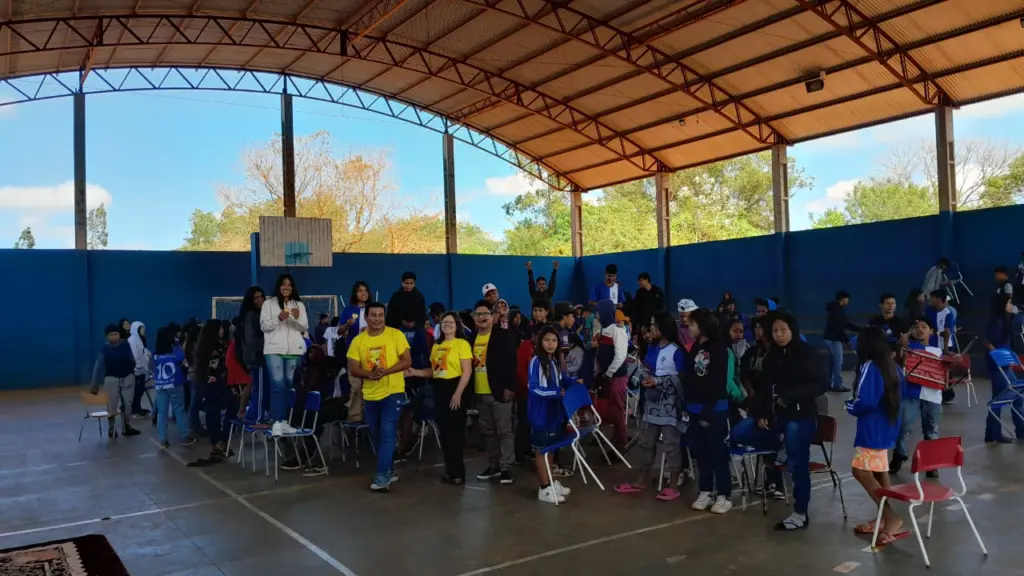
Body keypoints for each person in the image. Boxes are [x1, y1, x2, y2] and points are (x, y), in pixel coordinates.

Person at [732, 312, 827, 531]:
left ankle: (800, 513)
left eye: (783, 330)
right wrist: (762, 412)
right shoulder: (772, 356)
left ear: (792, 330)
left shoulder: (807, 353)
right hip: (775, 416)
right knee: (739, 433)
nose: (779, 334)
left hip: (800, 416)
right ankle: (779, 446)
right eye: (775, 331)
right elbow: (766, 388)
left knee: (797, 464)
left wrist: (790, 396)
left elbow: (821, 384)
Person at [615, 311, 687, 501]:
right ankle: (642, 479)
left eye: (655, 325)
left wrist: (660, 382)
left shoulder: (677, 351)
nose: (651, 329)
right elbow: (646, 368)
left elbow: (683, 379)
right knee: (647, 442)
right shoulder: (652, 348)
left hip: (670, 404)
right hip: (651, 402)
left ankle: (673, 483)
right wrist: (643, 378)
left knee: (671, 444)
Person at [847, 326, 904, 545]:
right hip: (887, 426)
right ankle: (883, 517)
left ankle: (891, 517)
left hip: (872, 429)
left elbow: (865, 401)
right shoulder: (893, 366)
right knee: (879, 471)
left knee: (860, 470)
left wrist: (850, 406)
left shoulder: (870, 366)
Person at [346, 301, 412, 492]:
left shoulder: (396, 335)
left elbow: (407, 360)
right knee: (377, 435)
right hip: (370, 394)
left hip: (393, 391)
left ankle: (382, 476)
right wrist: (370, 375)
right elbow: (354, 368)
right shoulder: (358, 341)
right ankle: (390, 469)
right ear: (366, 317)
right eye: (373, 315)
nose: (377, 318)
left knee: (386, 432)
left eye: (380, 315)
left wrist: (386, 372)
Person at [407, 311, 473, 484]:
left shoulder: (462, 344)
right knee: (444, 432)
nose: (447, 325)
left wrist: (458, 394)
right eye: (445, 322)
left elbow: (467, 371)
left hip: (455, 387)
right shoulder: (437, 346)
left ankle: (458, 472)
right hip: (439, 389)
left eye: (451, 322)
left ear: (457, 325)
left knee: (455, 433)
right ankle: (449, 470)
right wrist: (415, 372)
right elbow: (434, 371)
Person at [681, 308, 731, 513]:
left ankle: (724, 494)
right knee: (700, 452)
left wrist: (709, 409)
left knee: (717, 451)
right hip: (695, 408)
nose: (688, 327)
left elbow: (719, 382)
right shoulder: (695, 347)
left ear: (702, 326)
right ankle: (705, 490)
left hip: (714, 409)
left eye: (692, 324)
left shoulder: (719, 348)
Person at [469, 299, 519, 485]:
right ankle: (494, 465)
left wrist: (511, 387)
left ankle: (506, 467)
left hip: (500, 392)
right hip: (480, 393)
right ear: (474, 318)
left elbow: (511, 363)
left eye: (485, 314)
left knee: (504, 431)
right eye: (478, 314)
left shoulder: (503, 336)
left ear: (493, 316)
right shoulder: (471, 338)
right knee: (488, 433)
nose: (482, 317)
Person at [527, 326, 575, 504]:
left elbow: (561, 380)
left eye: (554, 340)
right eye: (547, 340)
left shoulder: (553, 361)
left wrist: (573, 382)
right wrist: (555, 393)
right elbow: (533, 388)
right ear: (540, 342)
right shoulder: (536, 362)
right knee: (542, 450)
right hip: (541, 414)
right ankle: (544, 488)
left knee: (551, 447)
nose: (551, 344)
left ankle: (550, 482)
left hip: (553, 413)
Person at [890, 316, 945, 472]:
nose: (920, 330)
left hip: (933, 396)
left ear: (932, 331)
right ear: (911, 331)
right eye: (916, 327)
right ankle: (899, 456)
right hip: (911, 394)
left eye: (924, 326)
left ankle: (931, 464)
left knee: (931, 431)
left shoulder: (939, 351)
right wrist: (901, 344)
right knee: (903, 426)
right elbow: (898, 361)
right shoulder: (907, 347)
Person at [260, 273, 308, 437]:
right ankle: (276, 422)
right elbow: (264, 326)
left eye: (289, 285)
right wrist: (278, 318)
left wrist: (295, 318)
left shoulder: (299, 305)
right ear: (278, 286)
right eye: (283, 284)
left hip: (293, 350)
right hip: (274, 350)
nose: (286, 287)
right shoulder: (268, 304)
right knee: (278, 385)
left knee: (288, 384)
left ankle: (284, 421)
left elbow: (304, 327)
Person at [192, 320, 237, 464]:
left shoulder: (214, 346)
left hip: (216, 384)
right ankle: (218, 442)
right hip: (214, 384)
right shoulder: (214, 348)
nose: (223, 330)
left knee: (217, 413)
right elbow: (217, 367)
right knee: (217, 413)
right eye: (220, 328)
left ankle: (219, 442)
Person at [984, 293, 1023, 444]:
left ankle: (994, 433)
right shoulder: (996, 322)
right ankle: (995, 433)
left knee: (1013, 398)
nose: (1011, 305)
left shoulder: (1005, 320)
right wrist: (997, 355)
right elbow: (987, 341)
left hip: (1005, 366)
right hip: (999, 367)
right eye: (1009, 302)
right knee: (999, 401)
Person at [91, 324, 142, 438]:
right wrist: (95, 384)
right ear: (106, 337)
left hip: (127, 378)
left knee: (128, 404)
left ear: (119, 334)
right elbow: (98, 367)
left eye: (116, 334)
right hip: (111, 379)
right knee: (111, 405)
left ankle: (127, 426)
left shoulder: (126, 345)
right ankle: (111, 428)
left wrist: (132, 369)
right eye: (111, 334)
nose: (114, 336)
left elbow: (132, 359)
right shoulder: (105, 349)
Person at [152, 327, 197, 448]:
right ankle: (184, 434)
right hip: (174, 383)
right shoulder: (175, 350)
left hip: (160, 384)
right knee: (179, 409)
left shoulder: (155, 352)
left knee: (162, 412)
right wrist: (176, 343)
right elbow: (182, 357)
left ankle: (162, 439)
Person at [595, 299, 629, 451]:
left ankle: (621, 442)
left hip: (617, 376)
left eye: (599, 311)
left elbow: (620, 355)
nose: (597, 314)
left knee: (617, 409)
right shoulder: (605, 329)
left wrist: (609, 373)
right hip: (608, 375)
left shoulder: (617, 330)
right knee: (612, 409)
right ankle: (617, 435)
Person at [236, 286, 266, 420]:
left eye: (261, 296)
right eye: (256, 298)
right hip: (257, 359)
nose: (260, 300)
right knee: (259, 393)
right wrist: (271, 343)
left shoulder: (257, 315)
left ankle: (254, 417)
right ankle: (256, 420)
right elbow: (252, 340)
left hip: (258, 358)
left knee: (259, 390)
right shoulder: (251, 316)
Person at [823, 291, 860, 393]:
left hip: (829, 337)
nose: (848, 302)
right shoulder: (838, 310)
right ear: (843, 299)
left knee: (832, 362)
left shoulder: (835, 309)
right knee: (838, 361)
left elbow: (844, 324)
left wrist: (860, 329)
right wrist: (846, 340)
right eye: (847, 299)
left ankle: (828, 383)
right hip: (834, 339)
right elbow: (839, 328)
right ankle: (837, 385)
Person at [226, 317, 253, 419]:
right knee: (249, 383)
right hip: (235, 364)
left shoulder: (237, 336)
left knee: (245, 386)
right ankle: (241, 411)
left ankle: (240, 410)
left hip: (233, 363)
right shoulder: (242, 336)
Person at [127, 321, 152, 419]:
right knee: (137, 391)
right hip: (137, 370)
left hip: (142, 369)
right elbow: (135, 355)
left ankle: (138, 408)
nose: (143, 331)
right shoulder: (132, 340)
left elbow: (144, 351)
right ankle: (134, 411)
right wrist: (137, 366)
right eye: (141, 329)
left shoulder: (139, 339)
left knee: (140, 391)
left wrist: (151, 355)